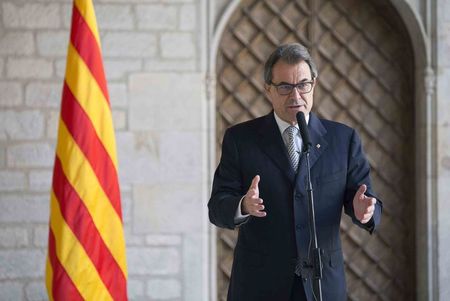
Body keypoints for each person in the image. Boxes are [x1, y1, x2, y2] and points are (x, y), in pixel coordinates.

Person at [208, 43, 383, 301]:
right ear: (268, 89)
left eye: (303, 85)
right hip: (260, 284)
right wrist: (243, 204)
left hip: (322, 284)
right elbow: (217, 207)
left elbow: (371, 204)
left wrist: (365, 210)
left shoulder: (343, 139)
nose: (296, 96)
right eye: (284, 87)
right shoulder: (241, 139)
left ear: (313, 83)